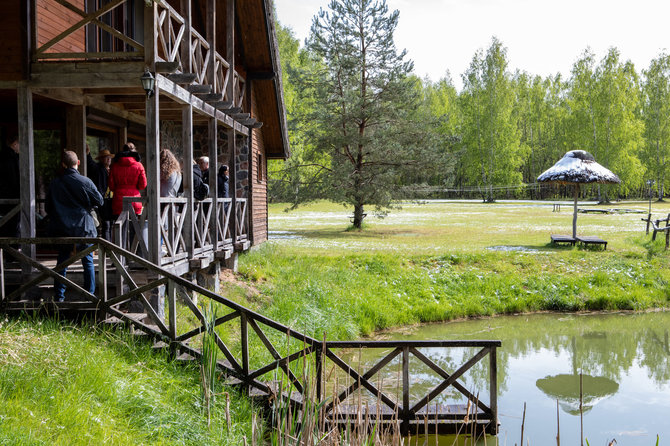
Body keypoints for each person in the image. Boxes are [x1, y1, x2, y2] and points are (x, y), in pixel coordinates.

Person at [46, 151, 103, 302]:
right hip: (84, 227)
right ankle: (89, 296)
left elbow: (47, 208)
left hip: (62, 228)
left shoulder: (54, 184)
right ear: (78, 163)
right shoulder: (85, 181)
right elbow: (100, 201)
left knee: (62, 263)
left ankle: (59, 297)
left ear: (63, 164)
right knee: (88, 262)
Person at [109, 142, 147, 218]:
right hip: (134, 200)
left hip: (119, 200)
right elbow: (143, 185)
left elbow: (111, 186)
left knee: (119, 227)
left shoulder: (115, 166)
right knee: (134, 227)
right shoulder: (139, 165)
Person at [86, 146, 114, 240]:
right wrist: (88, 154)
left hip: (112, 200)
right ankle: (107, 247)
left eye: (109, 157)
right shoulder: (98, 168)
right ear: (101, 159)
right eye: (106, 157)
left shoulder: (112, 170)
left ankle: (111, 247)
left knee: (111, 224)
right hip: (103, 199)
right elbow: (90, 164)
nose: (109, 159)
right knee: (106, 224)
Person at [0, 135, 20, 237]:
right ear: (15, 144)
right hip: (11, 198)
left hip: (5, 197)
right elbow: (13, 180)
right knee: (12, 227)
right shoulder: (11, 159)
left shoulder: (5, 156)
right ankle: (13, 249)